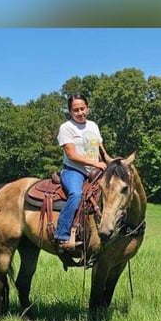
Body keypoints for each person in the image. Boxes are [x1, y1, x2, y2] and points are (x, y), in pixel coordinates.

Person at [54, 94, 108, 251]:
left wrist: (109, 161)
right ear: (70, 111)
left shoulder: (93, 126)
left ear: (88, 108)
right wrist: (94, 163)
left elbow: (100, 148)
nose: (80, 112)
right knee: (76, 194)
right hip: (74, 170)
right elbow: (71, 155)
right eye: (75, 110)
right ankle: (62, 234)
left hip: (96, 171)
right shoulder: (66, 128)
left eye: (82, 108)